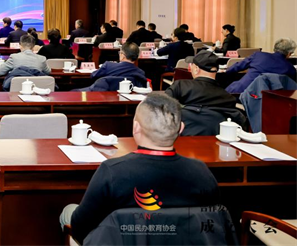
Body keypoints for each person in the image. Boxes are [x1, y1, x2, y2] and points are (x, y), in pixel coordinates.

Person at [61, 93, 220, 244]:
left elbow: (80, 228)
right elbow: (210, 223)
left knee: (68, 212)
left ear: (136, 127)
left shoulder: (112, 171)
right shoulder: (202, 172)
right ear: (181, 128)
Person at [165, 51, 246, 135]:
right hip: (214, 141)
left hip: (180, 138)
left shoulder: (180, 86)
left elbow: (162, 105)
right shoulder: (228, 97)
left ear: (196, 69)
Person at [226, 38, 297, 94]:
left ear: (274, 48)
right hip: (262, 100)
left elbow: (237, 67)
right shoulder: (290, 68)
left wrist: (227, 70)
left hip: (238, 92)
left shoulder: (258, 55)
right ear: (289, 53)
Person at [82, 43, 147, 91]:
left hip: (102, 97)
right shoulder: (140, 73)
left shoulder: (108, 66)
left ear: (122, 55)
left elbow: (93, 76)